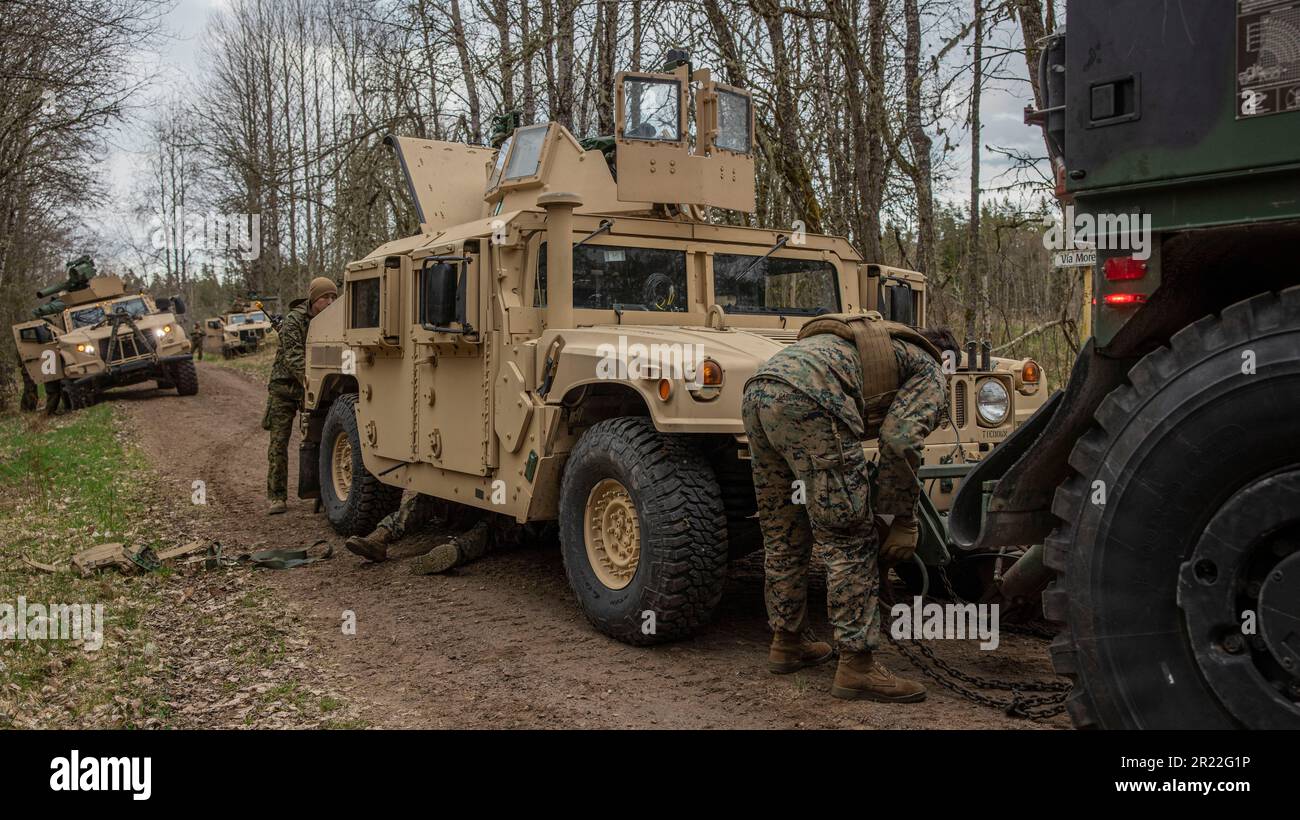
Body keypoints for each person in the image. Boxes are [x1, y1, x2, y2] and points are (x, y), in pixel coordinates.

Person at [740, 313, 956, 703]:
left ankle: (787, 642)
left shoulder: (871, 347)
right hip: (812, 399)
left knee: (783, 531)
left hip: (759, 391)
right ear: (947, 361)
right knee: (849, 537)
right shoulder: (929, 368)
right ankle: (857, 667)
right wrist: (902, 520)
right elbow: (901, 440)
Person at [265, 277, 336, 514]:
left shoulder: (331, 320)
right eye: (325, 297)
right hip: (285, 388)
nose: (330, 301)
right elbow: (294, 357)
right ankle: (276, 496)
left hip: (311, 387)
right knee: (279, 442)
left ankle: (322, 494)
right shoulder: (294, 320)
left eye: (333, 297)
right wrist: (312, 383)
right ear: (314, 298)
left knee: (319, 441)